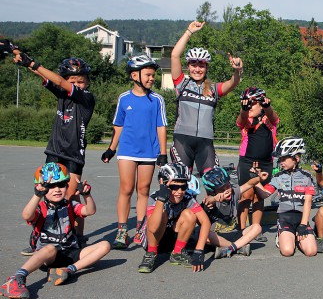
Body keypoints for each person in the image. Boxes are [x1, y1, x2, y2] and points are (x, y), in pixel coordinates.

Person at [13, 53, 96, 253]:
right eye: (73, 81)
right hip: (54, 151)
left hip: (74, 154)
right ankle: (41, 237)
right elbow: (48, 78)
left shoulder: (86, 98)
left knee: (72, 197)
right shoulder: (61, 94)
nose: (77, 84)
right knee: (49, 196)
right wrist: (20, 56)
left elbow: (58, 79)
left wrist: (32, 62)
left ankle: (77, 238)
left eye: (81, 81)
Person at [0, 163, 110, 299]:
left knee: (105, 245)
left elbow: (90, 210)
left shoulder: (70, 205)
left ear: (67, 186)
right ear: (41, 188)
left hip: (71, 252)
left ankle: (68, 271)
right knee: (50, 249)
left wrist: (87, 195)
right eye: (50, 186)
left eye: (61, 185)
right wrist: (37, 196)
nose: (57, 189)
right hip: (48, 256)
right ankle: (17, 277)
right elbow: (27, 215)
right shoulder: (40, 207)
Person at [101, 54, 168, 249]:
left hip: (149, 151)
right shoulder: (124, 98)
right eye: (148, 75)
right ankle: (122, 230)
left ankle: (140, 228)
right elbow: (119, 125)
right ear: (134, 75)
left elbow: (161, 126)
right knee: (126, 189)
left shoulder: (157, 100)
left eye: (153, 75)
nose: (152, 78)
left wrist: (162, 153)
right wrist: (111, 149)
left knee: (144, 190)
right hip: (128, 150)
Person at [169, 21, 242, 175]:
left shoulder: (214, 89)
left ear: (206, 67)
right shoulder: (181, 84)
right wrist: (189, 31)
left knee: (214, 183)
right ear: (188, 66)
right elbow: (175, 55)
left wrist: (237, 70)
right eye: (193, 65)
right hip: (182, 141)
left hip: (205, 143)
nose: (197, 69)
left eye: (201, 65)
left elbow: (233, 83)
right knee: (180, 182)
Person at [254, 137, 317, 257]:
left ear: (296, 158)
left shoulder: (306, 177)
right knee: (287, 251)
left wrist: (303, 224)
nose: (281, 162)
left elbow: (308, 202)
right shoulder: (278, 176)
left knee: (311, 251)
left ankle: (297, 236)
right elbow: (264, 194)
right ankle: (283, 235)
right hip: (285, 218)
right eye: (280, 159)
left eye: (284, 158)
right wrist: (256, 180)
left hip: (301, 219)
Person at [236, 86, 279, 242]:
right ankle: (241, 229)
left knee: (258, 197)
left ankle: (256, 228)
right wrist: (244, 109)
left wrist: (268, 107)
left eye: (252, 103)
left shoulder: (269, 119)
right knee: (246, 194)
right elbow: (240, 121)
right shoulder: (246, 118)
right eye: (246, 103)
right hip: (247, 161)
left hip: (266, 163)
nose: (249, 106)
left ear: (261, 103)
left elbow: (273, 116)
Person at [201, 166, 263, 258]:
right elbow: (208, 200)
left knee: (257, 227)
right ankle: (237, 247)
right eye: (221, 190)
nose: (226, 191)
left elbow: (249, 184)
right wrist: (215, 198)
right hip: (217, 237)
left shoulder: (234, 192)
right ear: (213, 192)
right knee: (206, 235)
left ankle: (230, 248)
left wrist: (259, 178)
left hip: (234, 233)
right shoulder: (211, 200)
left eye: (227, 186)